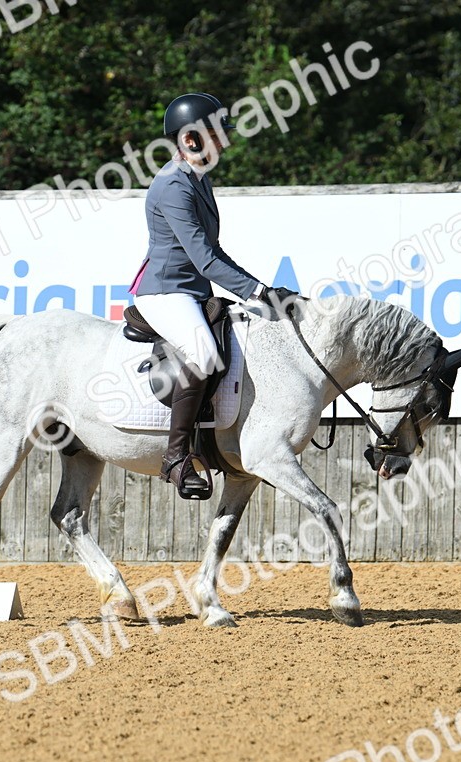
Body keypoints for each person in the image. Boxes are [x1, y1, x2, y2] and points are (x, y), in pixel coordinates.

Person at [129, 92, 294, 499]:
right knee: (204, 353)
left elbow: (214, 252)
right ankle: (175, 457)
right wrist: (258, 292)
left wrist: (260, 291)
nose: (225, 143)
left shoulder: (199, 179)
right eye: (217, 135)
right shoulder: (172, 187)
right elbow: (203, 258)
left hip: (193, 289)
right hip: (165, 290)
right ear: (189, 140)